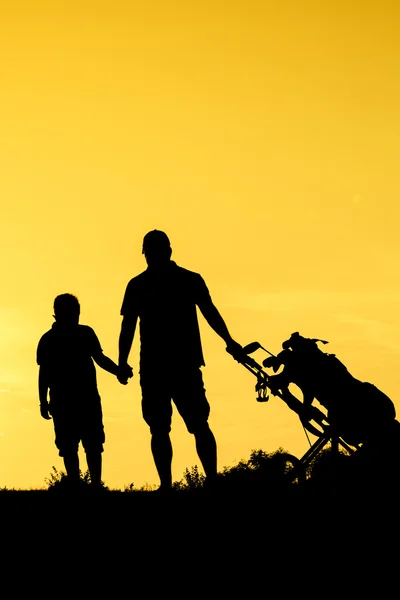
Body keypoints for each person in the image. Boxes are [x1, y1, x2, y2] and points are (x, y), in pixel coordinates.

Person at [118, 230, 242, 491]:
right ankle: (182, 483)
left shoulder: (153, 283)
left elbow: (210, 313)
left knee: (185, 425)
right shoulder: (176, 281)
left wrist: (229, 341)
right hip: (165, 366)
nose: (151, 257)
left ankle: (199, 481)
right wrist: (122, 361)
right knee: (168, 427)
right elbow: (127, 326)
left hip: (171, 365)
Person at [37, 293, 132, 489]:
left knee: (92, 443)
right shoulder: (49, 340)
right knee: (69, 445)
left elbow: (99, 358)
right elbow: (44, 373)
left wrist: (118, 370)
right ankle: (76, 484)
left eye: (75, 313)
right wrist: (43, 401)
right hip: (66, 401)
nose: (73, 316)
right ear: (57, 314)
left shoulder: (83, 334)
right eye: (69, 312)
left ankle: (93, 485)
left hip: (85, 399)